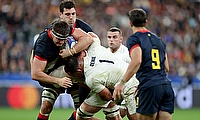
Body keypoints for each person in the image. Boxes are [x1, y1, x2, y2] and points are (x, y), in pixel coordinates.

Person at [32, 1, 94, 120]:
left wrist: (70, 52)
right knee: (46, 106)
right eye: (67, 14)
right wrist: (58, 80)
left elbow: (90, 43)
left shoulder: (85, 29)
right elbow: (35, 70)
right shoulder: (48, 35)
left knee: (81, 113)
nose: (71, 17)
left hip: (77, 74)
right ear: (60, 15)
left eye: (73, 14)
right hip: (56, 72)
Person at [113, 8, 174, 120]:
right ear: (146, 22)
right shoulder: (158, 40)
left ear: (130, 23)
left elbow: (137, 60)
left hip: (149, 86)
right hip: (166, 86)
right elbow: (166, 67)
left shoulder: (134, 39)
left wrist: (122, 82)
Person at [65, 32, 139, 120]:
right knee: (81, 116)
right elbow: (91, 35)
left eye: (74, 76)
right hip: (130, 73)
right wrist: (74, 36)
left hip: (129, 84)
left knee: (133, 116)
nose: (74, 78)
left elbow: (107, 96)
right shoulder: (93, 50)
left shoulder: (90, 78)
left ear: (78, 70)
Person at [107, 27, 137, 119]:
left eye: (114, 37)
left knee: (130, 115)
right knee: (113, 116)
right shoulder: (104, 53)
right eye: (109, 37)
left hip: (128, 89)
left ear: (121, 39)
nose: (111, 40)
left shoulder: (127, 53)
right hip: (114, 90)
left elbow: (136, 67)